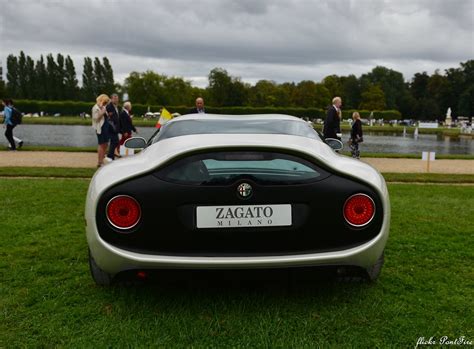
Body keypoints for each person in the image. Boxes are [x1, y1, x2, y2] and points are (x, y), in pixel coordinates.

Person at [91, 94, 110, 167]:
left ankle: (102, 159)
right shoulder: (95, 107)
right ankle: (99, 162)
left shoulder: (103, 107)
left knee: (105, 144)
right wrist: (102, 111)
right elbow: (96, 118)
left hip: (105, 127)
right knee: (101, 144)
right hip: (100, 128)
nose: (106, 104)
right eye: (105, 102)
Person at [106, 93, 121, 161]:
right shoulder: (109, 107)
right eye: (114, 98)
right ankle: (110, 156)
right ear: (111, 99)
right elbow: (109, 118)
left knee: (115, 142)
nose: (116, 99)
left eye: (117, 98)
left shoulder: (116, 107)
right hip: (111, 127)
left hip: (115, 127)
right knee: (115, 141)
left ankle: (111, 156)